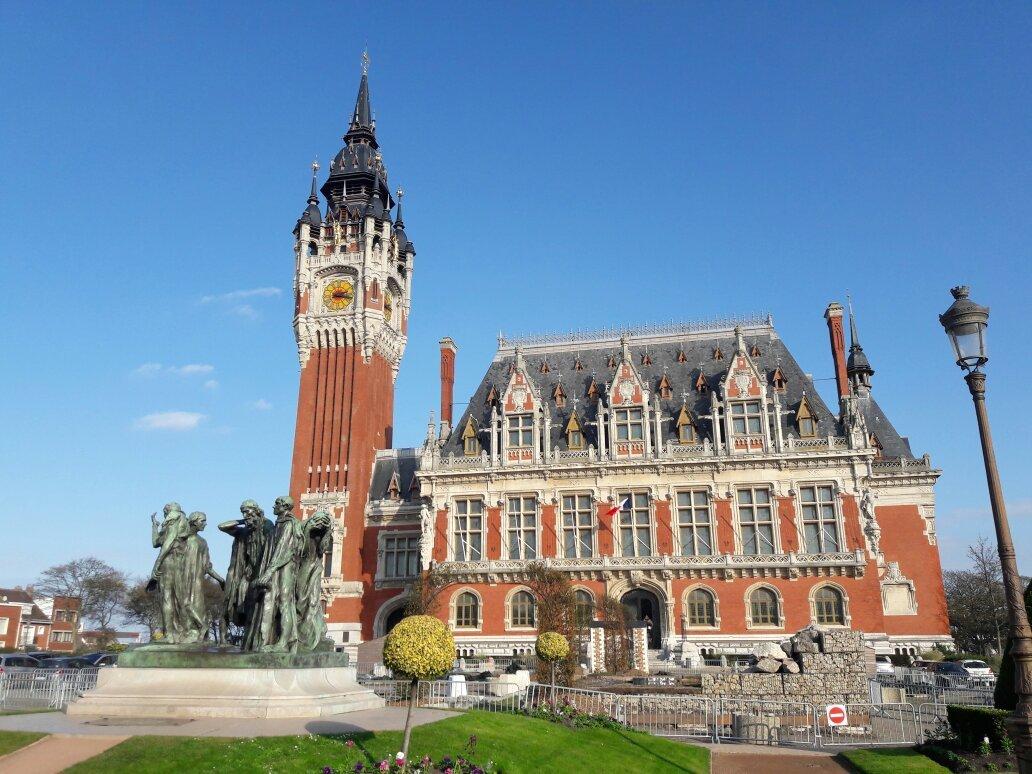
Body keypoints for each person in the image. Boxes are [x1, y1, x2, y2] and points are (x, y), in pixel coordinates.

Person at [247, 496, 303, 652]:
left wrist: (269, 571)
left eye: (277, 504)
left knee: (284, 602)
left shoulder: (289, 524)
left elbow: (283, 550)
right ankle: (270, 640)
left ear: (284, 506)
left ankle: (283, 643)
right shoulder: (278, 525)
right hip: (276, 568)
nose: (274, 506)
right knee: (275, 602)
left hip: (284, 569)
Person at [219, 500, 273, 645]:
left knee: (255, 602)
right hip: (247, 572)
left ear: (256, 511)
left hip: (262, 571)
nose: (246, 514)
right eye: (243, 512)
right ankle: (245, 633)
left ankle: (255, 637)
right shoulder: (245, 531)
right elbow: (222, 526)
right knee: (240, 600)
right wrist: (243, 520)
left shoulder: (267, 526)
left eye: (248, 511)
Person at [179, 512, 225, 643]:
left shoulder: (200, 542)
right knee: (187, 604)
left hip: (189, 579)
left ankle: (200, 627)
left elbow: (207, 566)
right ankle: (193, 631)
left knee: (186, 603)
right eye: (202, 521)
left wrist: (220, 579)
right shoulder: (184, 539)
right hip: (191, 579)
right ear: (194, 522)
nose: (205, 524)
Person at [149, 502, 189, 643]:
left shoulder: (174, 517)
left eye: (165, 511)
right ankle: (179, 633)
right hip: (178, 561)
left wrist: (157, 564)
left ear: (168, 510)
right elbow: (156, 543)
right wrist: (155, 525)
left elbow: (169, 542)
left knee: (167, 597)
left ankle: (170, 635)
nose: (165, 515)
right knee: (178, 597)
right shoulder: (181, 520)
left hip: (170, 560)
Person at [295, 510, 333, 651]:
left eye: (324, 522)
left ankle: (311, 633)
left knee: (313, 600)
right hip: (304, 567)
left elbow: (322, 549)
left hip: (315, 568)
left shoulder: (322, 532)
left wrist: (328, 532)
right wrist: (309, 530)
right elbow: (301, 550)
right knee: (301, 599)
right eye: (320, 521)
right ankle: (300, 632)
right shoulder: (303, 530)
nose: (321, 525)